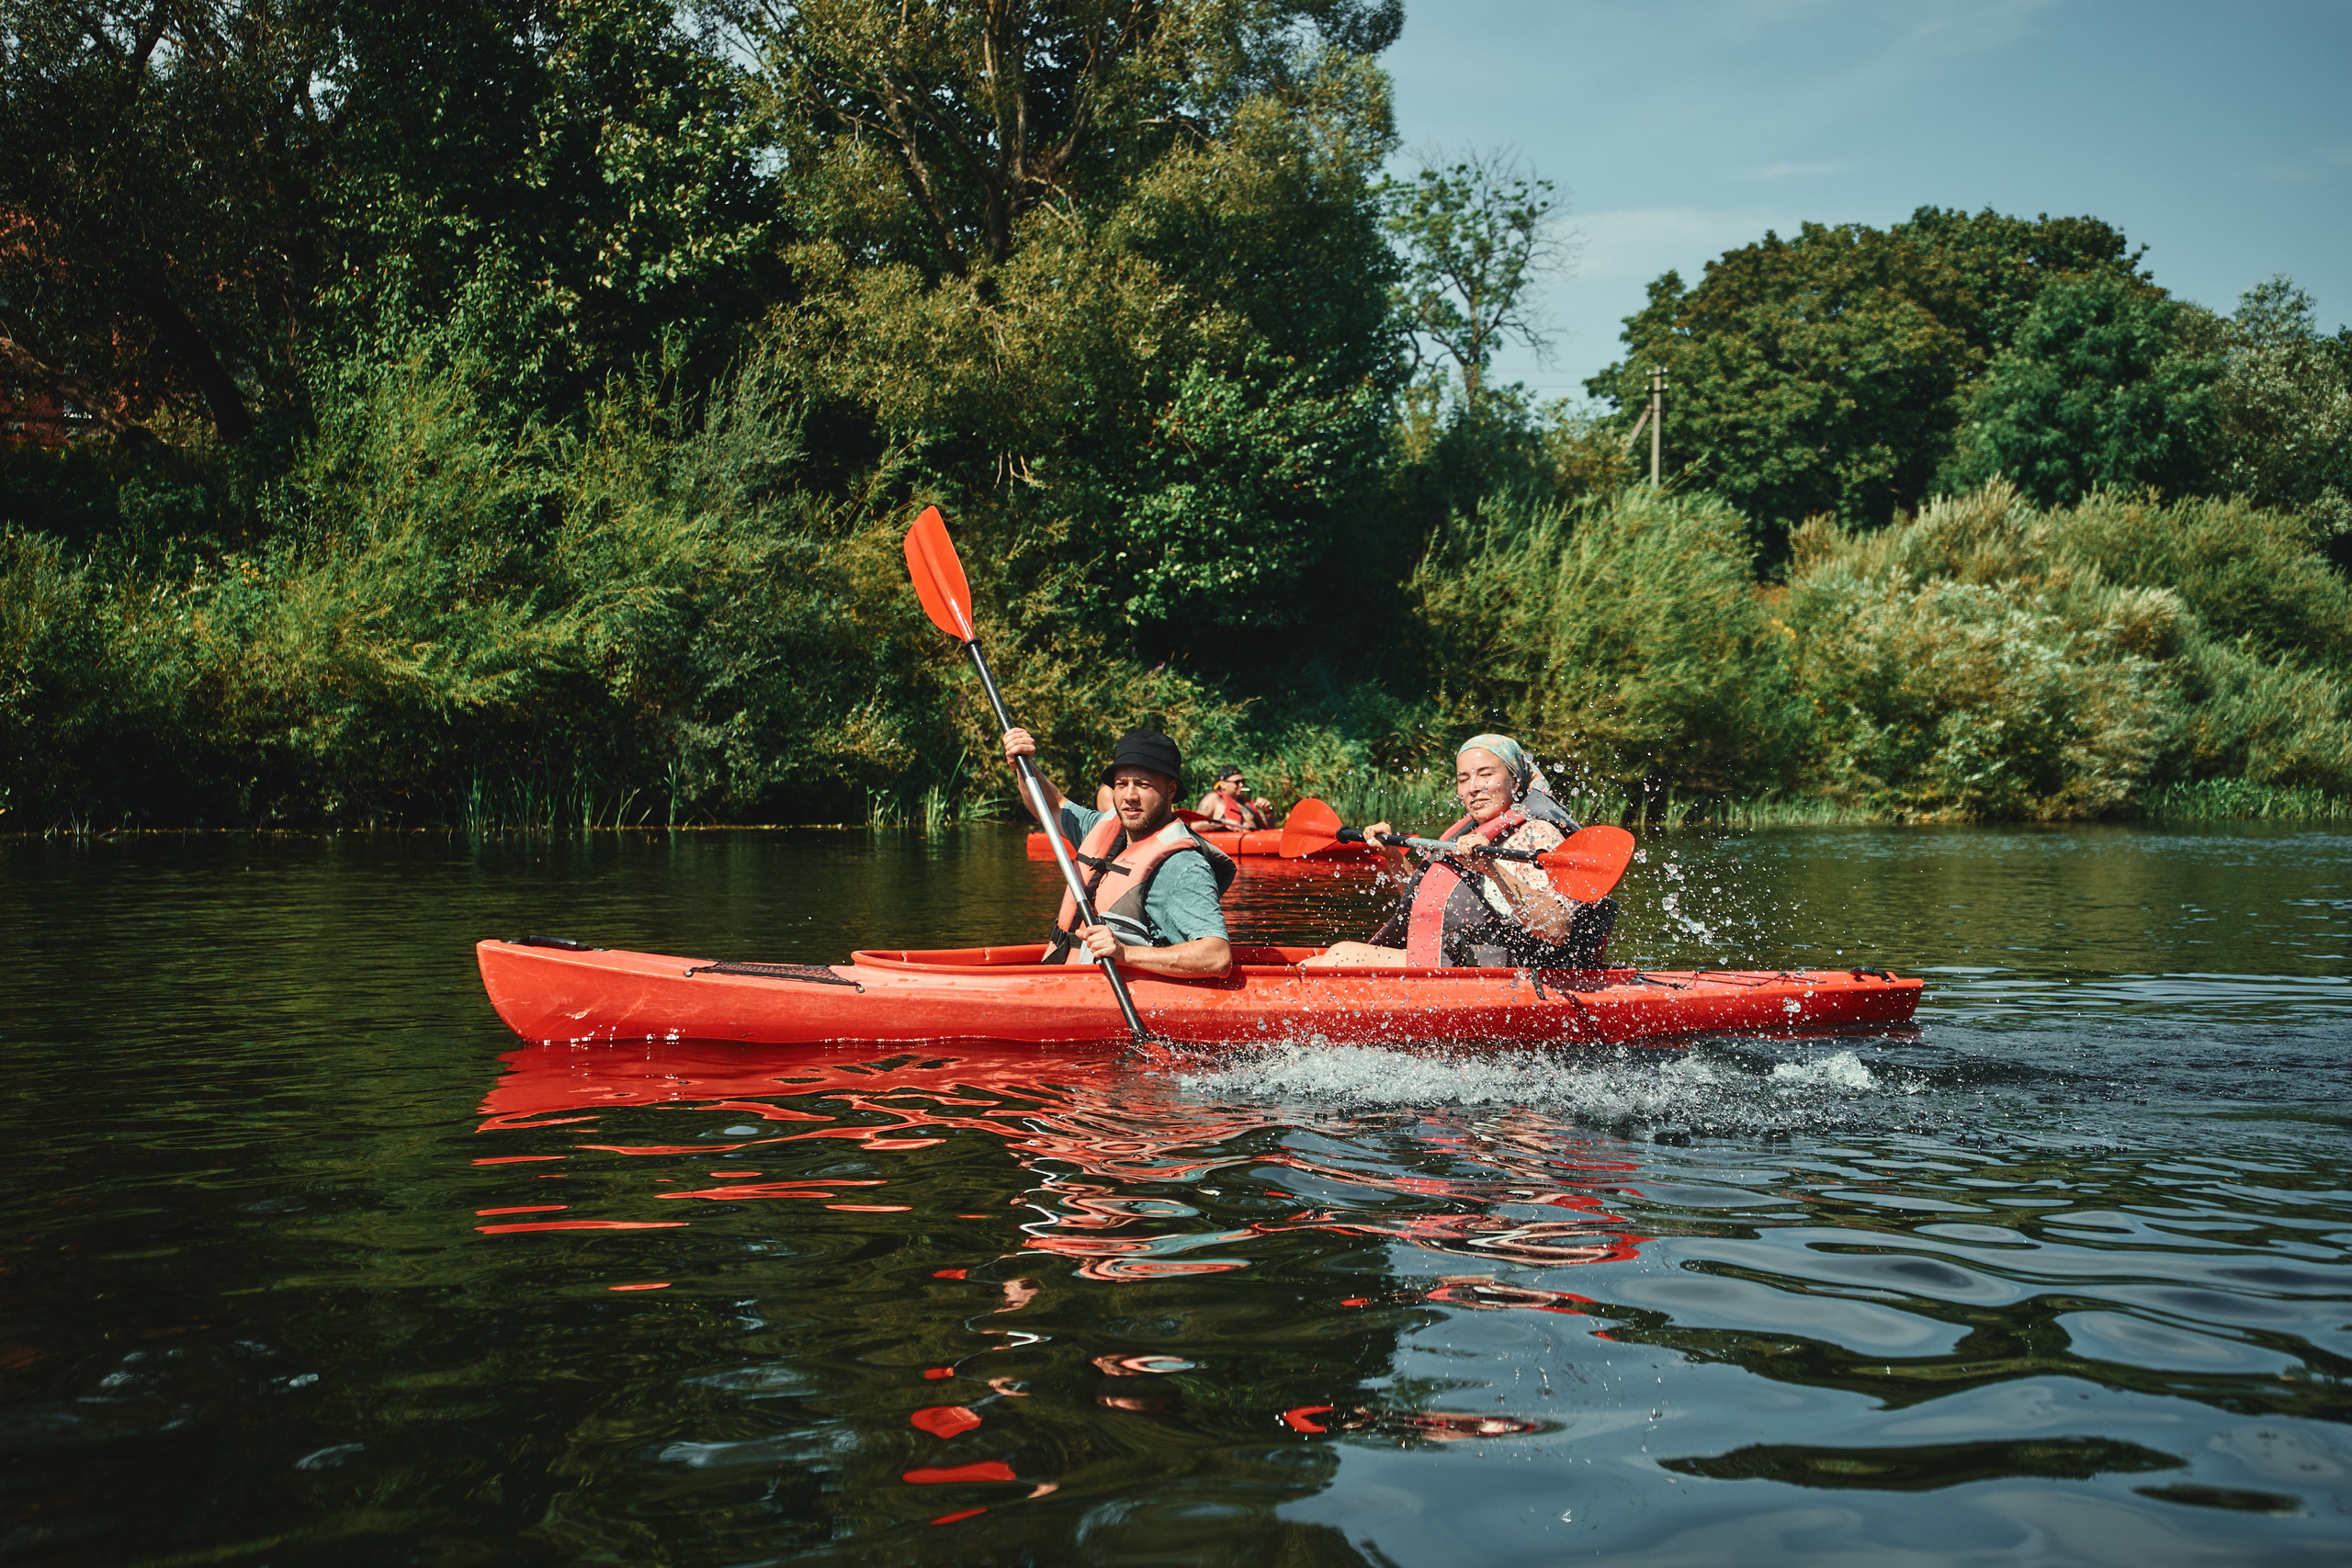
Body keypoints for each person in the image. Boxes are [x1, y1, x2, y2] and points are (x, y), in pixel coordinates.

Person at [1303, 733, 1616, 969]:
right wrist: (1393, 856)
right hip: (1462, 962)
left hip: (1505, 972)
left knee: (1343, 955)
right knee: (1335, 954)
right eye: (1464, 779)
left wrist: (1492, 868)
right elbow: (1427, 904)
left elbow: (1557, 928)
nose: (1473, 787)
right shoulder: (1470, 834)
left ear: (1514, 780)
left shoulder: (1537, 835)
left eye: (1486, 774)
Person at [1003, 727, 1236, 977]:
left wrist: (1125, 953)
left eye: (1143, 785)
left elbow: (1217, 956)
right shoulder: (1102, 828)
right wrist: (1023, 763)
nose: (1129, 796)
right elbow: (1053, 806)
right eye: (1121, 784)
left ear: (1171, 790)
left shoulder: (1184, 866)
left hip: (1130, 996)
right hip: (1066, 982)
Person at [1195, 764, 1273, 831]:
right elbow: (1196, 825)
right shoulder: (1213, 798)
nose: (1241, 785)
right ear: (1223, 784)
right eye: (1237, 782)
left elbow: (1270, 828)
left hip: (1254, 844)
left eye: (1242, 782)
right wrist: (1223, 823)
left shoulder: (1247, 803)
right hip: (1229, 845)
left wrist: (1268, 811)